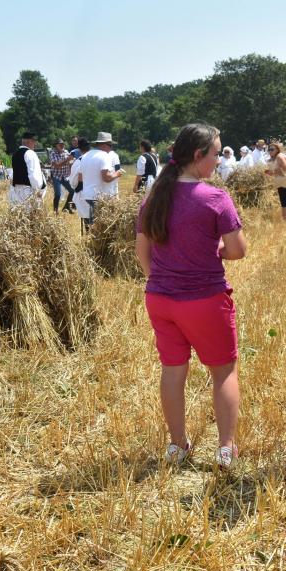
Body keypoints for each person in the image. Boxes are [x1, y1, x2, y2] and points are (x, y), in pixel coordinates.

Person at [136, 123, 247, 469]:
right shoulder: (215, 198)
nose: (218, 159)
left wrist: (162, 280)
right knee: (223, 372)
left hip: (160, 300)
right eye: (215, 153)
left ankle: (177, 445)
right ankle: (225, 450)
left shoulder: (154, 197)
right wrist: (218, 250)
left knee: (172, 371)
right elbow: (238, 250)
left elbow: (142, 252)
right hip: (205, 300)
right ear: (198, 155)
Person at [79, 132, 123, 228]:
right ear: (104, 144)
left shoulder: (85, 156)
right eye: (110, 145)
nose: (111, 148)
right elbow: (106, 177)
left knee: (94, 223)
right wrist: (117, 174)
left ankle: (91, 236)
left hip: (88, 195)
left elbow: (80, 177)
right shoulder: (104, 156)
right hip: (100, 197)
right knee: (102, 227)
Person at [9, 132, 45, 207]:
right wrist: (38, 191)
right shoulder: (31, 153)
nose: (35, 144)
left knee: (19, 212)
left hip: (16, 190)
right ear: (30, 141)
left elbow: (13, 174)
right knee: (30, 213)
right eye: (34, 142)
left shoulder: (15, 154)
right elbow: (33, 175)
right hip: (28, 191)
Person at [68, 137, 92, 232]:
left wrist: (76, 187)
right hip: (100, 192)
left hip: (84, 192)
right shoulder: (97, 159)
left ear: (79, 149)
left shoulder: (79, 161)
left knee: (87, 216)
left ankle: (88, 233)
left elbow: (73, 182)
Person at [49, 138, 75, 213]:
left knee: (72, 191)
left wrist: (72, 162)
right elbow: (57, 165)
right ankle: (55, 211)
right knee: (58, 194)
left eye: (63, 144)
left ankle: (66, 207)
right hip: (56, 177)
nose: (62, 145)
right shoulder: (53, 154)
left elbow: (69, 162)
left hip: (65, 176)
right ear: (56, 146)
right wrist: (68, 159)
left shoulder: (66, 152)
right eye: (60, 144)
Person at [264, 141, 286, 220]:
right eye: (269, 150)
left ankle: (284, 219)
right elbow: (275, 173)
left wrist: (275, 171)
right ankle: (284, 219)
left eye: (272, 149)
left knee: (284, 202)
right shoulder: (273, 158)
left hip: (284, 182)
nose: (270, 151)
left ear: (277, 149)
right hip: (280, 183)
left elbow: (285, 169)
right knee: (283, 202)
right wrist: (269, 172)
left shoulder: (279, 156)